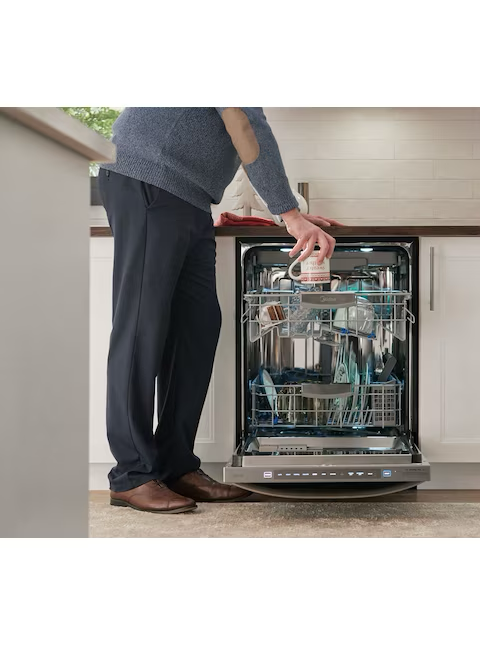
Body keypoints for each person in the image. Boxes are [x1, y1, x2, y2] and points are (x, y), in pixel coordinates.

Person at [98, 108, 341, 513]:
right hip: (148, 179)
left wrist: (288, 214)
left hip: (189, 197)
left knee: (198, 328)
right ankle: (131, 474)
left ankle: (175, 464)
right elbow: (245, 128)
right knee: (142, 328)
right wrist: (290, 214)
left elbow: (245, 139)